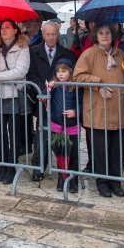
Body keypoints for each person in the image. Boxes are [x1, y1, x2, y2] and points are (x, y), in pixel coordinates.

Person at [74, 24, 124, 197]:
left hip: (118, 110)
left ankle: (116, 182)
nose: (105, 36)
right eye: (101, 33)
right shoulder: (89, 54)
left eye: (108, 33)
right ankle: (102, 182)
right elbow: (77, 76)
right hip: (97, 111)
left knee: (118, 150)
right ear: (96, 36)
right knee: (100, 150)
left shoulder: (120, 54)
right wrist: (98, 84)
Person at [0, 19, 30, 185]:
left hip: (14, 95)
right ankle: (3, 165)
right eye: (2, 27)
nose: (4, 30)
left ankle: (11, 166)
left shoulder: (22, 47)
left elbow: (19, 72)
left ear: (16, 30)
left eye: (8, 27)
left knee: (14, 134)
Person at [27, 21, 75, 181]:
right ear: (42, 34)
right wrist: (42, 89)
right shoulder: (33, 51)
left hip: (60, 100)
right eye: (47, 34)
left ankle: (64, 169)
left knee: (61, 133)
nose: (51, 37)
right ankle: (38, 166)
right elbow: (31, 74)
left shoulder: (67, 53)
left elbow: (71, 75)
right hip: (42, 99)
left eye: (54, 34)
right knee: (42, 132)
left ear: (58, 33)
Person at [47, 58, 79, 193]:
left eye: (64, 71)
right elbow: (45, 97)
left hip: (72, 127)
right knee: (59, 152)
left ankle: (73, 180)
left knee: (73, 154)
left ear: (70, 72)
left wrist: (76, 112)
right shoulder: (55, 87)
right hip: (56, 125)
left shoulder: (75, 87)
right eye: (58, 71)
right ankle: (61, 177)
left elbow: (82, 103)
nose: (60, 74)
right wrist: (49, 88)